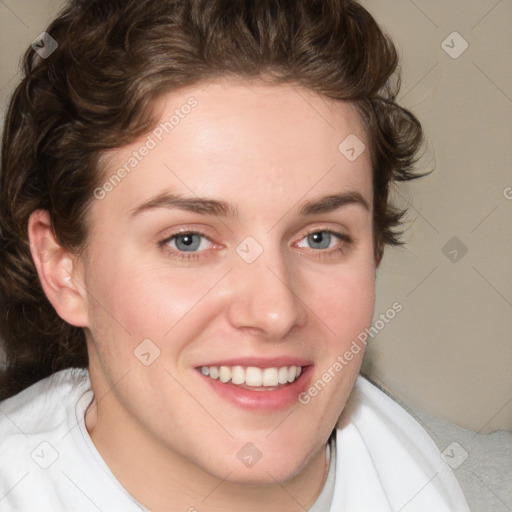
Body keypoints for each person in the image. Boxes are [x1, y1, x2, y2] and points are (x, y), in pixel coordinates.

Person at [0, 0, 471, 510]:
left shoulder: (412, 478)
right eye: (188, 240)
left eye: (320, 237)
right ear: (64, 268)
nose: (275, 311)